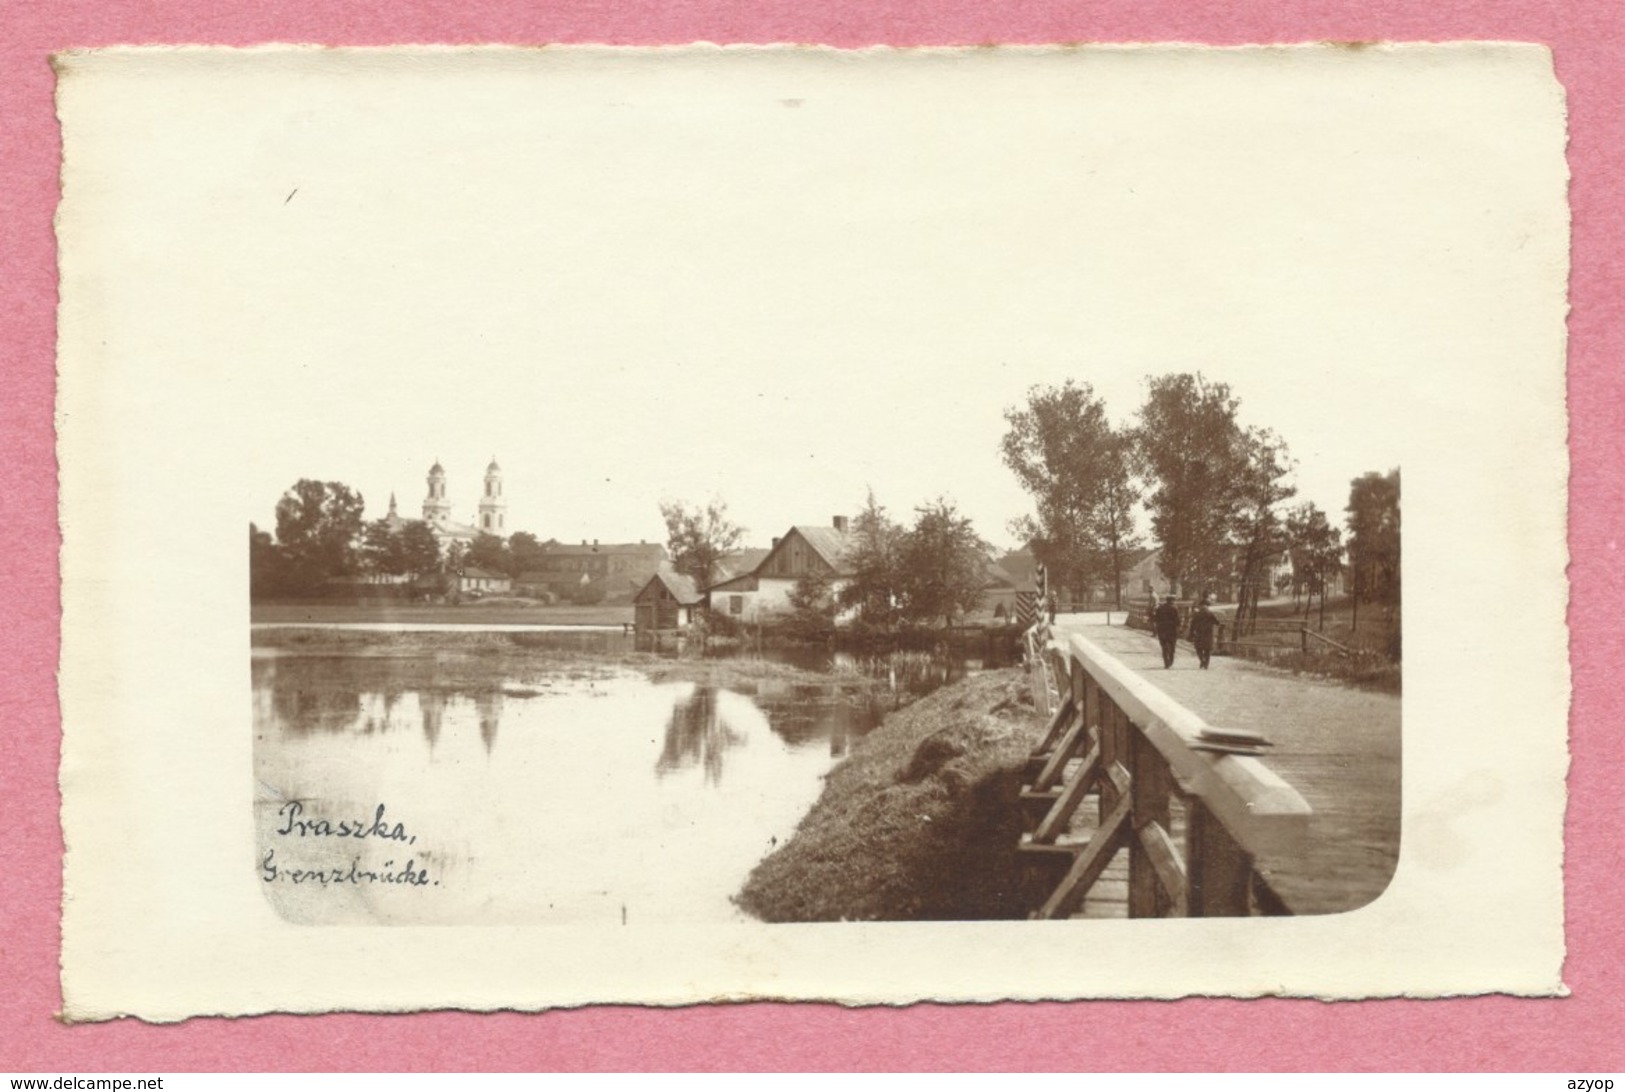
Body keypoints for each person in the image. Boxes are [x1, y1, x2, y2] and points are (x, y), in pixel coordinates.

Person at [1189, 596, 1222, 670]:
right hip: (1208, 633)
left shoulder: (1197, 614)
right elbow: (1217, 622)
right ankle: (1206, 663)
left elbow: (1192, 624)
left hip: (1199, 633)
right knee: (1207, 649)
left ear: (1201, 605)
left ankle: (1202, 660)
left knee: (1198, 648)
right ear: (1207, 606)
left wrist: (1191, 633)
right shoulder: (1210, 613)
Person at [1152, 594, 1181, 668]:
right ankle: (1170, 660)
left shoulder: (1160, 608)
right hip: (1172, 630)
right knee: (1172, 645)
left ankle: (1166, 662)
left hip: (1162, 629)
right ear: (1172, 601)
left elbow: (1155, 618)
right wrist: (1180, 628)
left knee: (1164, 646)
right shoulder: (1174, 608)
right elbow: (1178, 620)